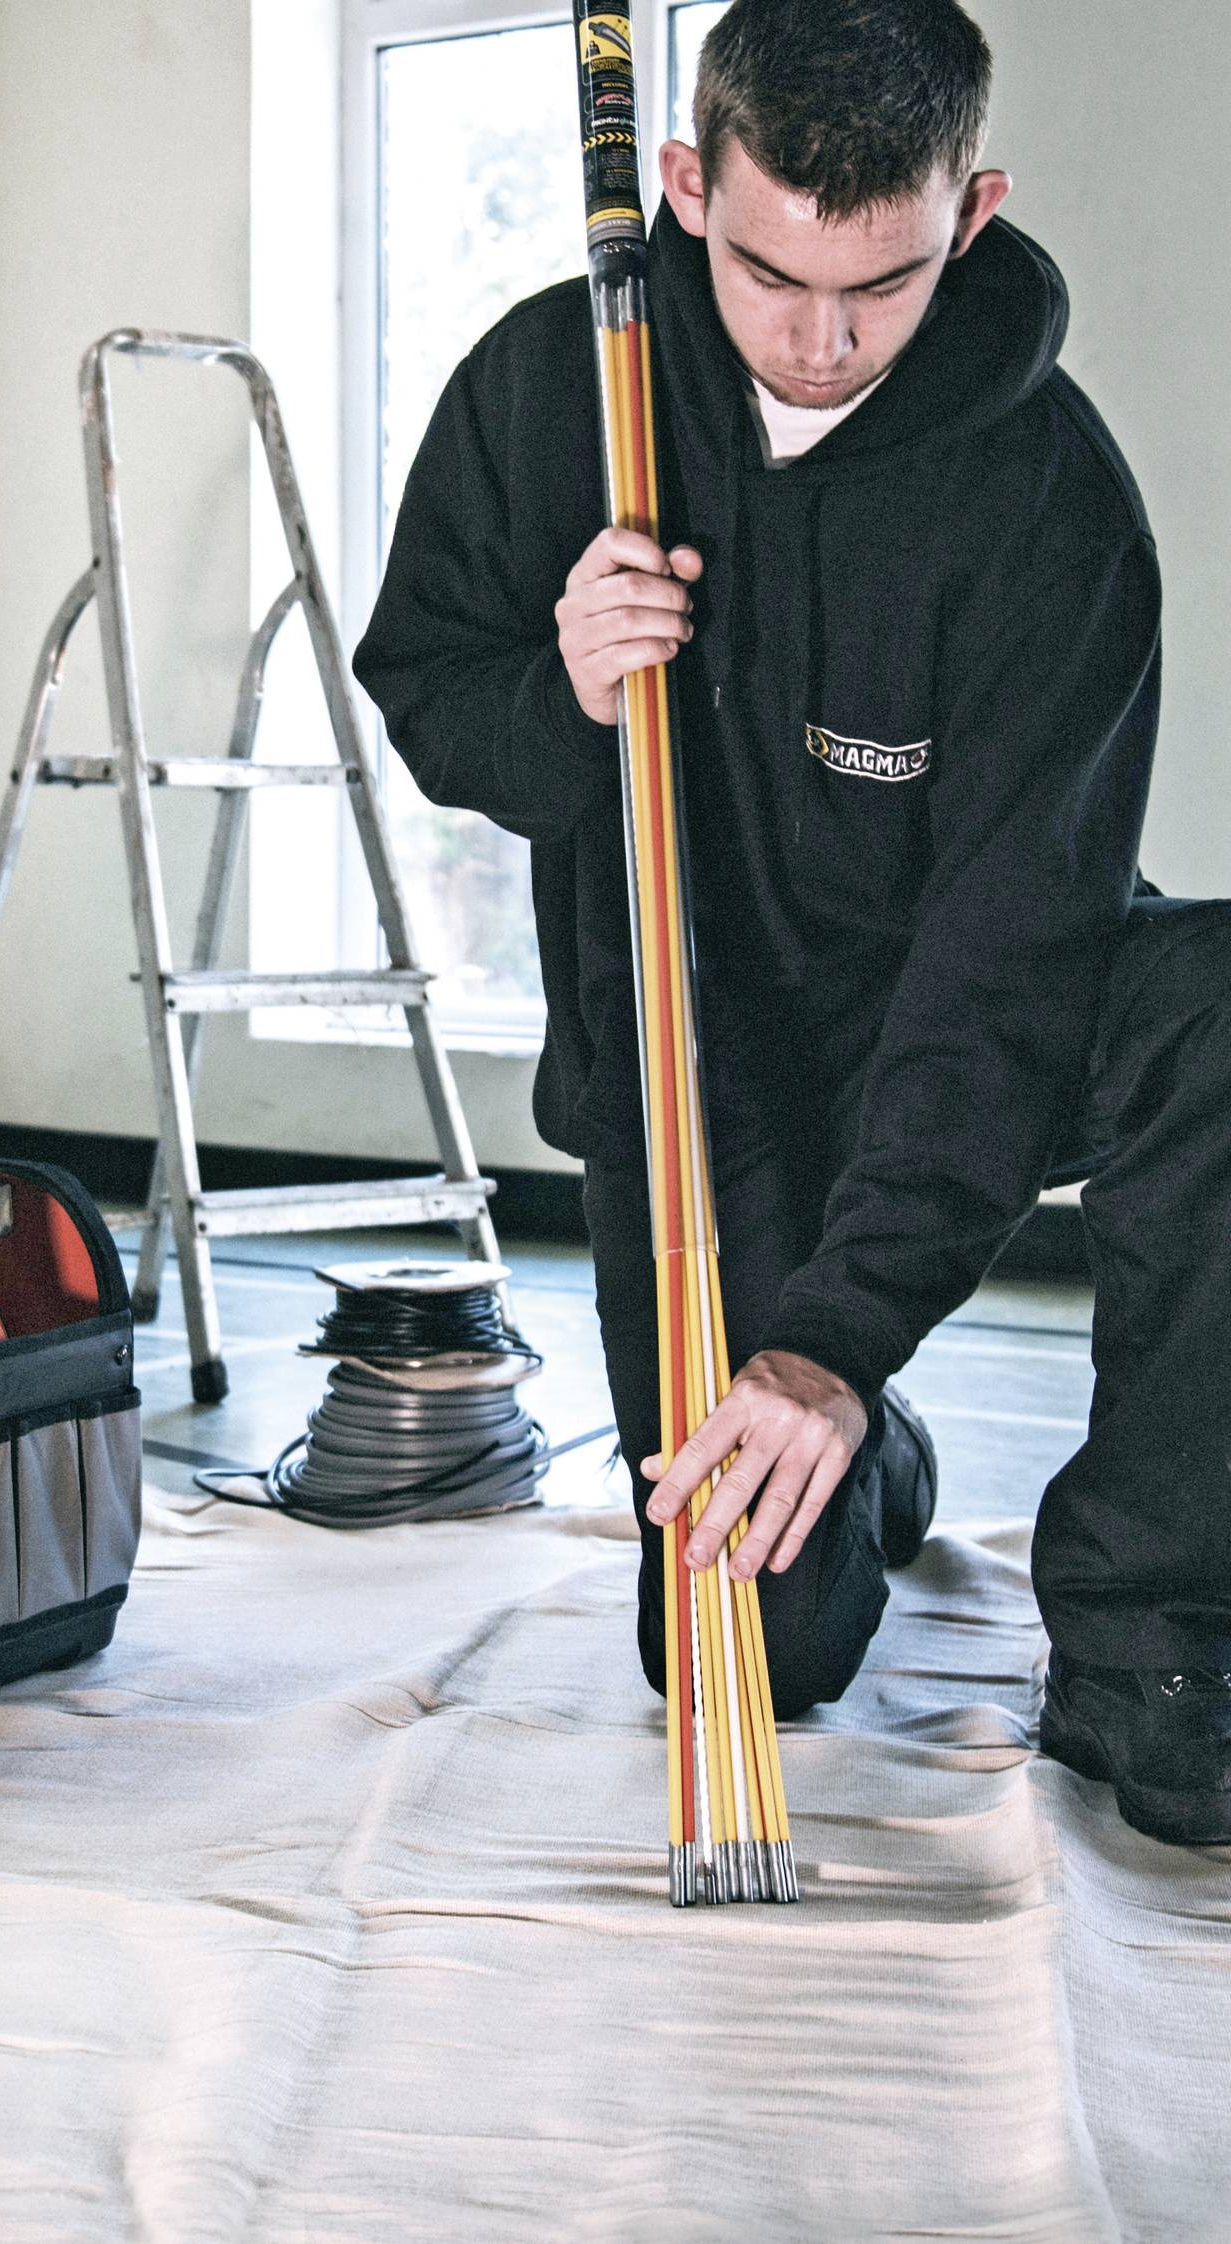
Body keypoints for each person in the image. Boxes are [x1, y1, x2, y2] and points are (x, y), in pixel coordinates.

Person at [353, 0, 1231, 1845]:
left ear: (971, 215)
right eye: (768, 276)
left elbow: (1013, 950)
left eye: (885, 287)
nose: (825, 340)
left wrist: (835, 1331)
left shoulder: (1053, 502)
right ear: (684, 189)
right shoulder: (547, 388)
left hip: (977, 1021)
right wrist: (564, 694)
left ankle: (1160, 1637)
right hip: (698, 1050)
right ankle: (882, 1472)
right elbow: (429, 688)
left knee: (1225, 1008)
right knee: (748, 1644)